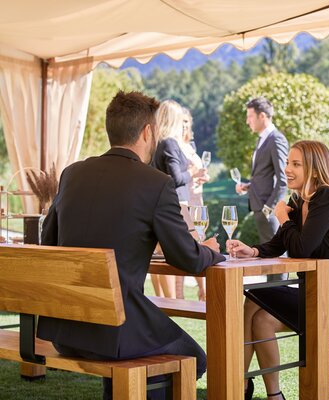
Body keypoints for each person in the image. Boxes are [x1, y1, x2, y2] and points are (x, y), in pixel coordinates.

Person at [37, 91, 225, 400]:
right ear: (148, 132)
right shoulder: (155, 183)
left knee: (137, 344)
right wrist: (211, 250)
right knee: (196, 359)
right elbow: (188, 258)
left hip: (65, 331)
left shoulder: (73, 174)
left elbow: (49, 240)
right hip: (116, 329)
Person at [227, 140, 329, 400]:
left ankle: (238, 384)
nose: (288, 168)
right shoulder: (298, 200)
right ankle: (273, 394)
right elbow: (279, 243)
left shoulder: (326, 197)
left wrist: (283, 217)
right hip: (313, 295)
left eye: (296, 164)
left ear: (314, 168)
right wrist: (252, 250)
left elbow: (301, 249)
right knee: (260, 319)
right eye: (288, 162)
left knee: (253, 297)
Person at [152, 100, 206, 299]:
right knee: (189, 249)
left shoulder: (156, 143)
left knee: (161, 254)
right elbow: (175, 178)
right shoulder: (169, 143)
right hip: (177, 205)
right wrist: (191, 171)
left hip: (160, 204)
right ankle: (175, 300)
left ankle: (170, 301)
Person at [236, 97, 289, 245]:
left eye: (250, 116)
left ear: (262, 116)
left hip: (269, 209)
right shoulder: (262, 139)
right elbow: (265, 174)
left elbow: (283, 179)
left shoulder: (276, 139)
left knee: (277, 260)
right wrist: (248, 186)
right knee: (270, 258)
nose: (247, 121)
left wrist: (269, 208)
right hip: (260, 207)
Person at [178, 106, 209, 301]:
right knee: (187, 246)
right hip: (185, 202)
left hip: (197, 200)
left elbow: (198, 172)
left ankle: (204, 291)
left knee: (200, 243)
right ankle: (179, 296)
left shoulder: (190, 146)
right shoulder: (175, 148)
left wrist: (202, 176)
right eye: (181, 122)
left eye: (187, 123)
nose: (184, 126)